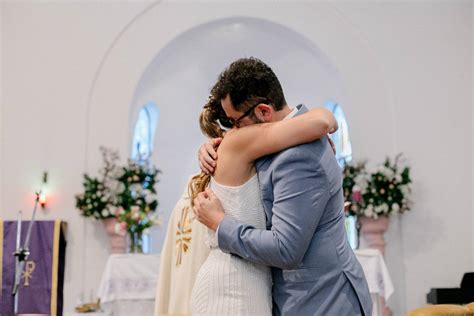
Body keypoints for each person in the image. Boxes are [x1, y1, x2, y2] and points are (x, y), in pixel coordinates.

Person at [194, 57, 372, 315]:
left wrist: (221, 225)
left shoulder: (298, 156)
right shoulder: (289, 140)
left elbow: (285, 249)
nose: (233, 132)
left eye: (236, 123)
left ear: (264, 112)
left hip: (322, 300)